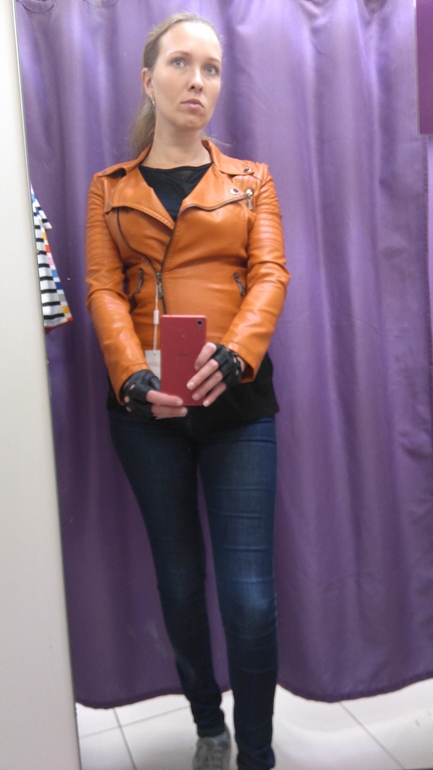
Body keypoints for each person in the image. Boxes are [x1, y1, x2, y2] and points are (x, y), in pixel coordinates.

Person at [85, 12, 289, 770]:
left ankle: (257, 752)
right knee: (177, 584)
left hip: (238, 406)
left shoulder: (252, 180)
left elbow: (271, 274)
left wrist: (234, 357)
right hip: (146, 413)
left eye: (210, 67)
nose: (196, 80)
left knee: (250, 599)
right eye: (180, 63)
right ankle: (209, 725)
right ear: (149, 80)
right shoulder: (108, 188)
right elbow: (103, 288)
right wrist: (131, 376)